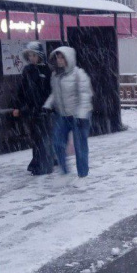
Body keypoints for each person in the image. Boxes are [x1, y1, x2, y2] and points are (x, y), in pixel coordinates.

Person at [44, 46, 93, 178]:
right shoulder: (55, 75)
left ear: (69, 58)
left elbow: (85, 95)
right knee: (57, 143)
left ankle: (83, 174)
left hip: (78, 116)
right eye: (57, 58)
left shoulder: (79, 74)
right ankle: (64, 172)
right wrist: (47, 105)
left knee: (80, 146)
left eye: (62, 57)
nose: (59, 60)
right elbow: (55, 93)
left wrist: (81, 115)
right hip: (63, 115)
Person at [13, 42, 53, 176]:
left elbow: (51, 91)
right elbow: (21, 89)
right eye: (30, 55)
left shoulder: (47, 70)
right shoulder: (27, 70)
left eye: (34, 55)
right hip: (31, 110)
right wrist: (17, 106)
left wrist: (49, 107)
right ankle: (37, 162)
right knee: (36, 137)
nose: (31, 58)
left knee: (43, 138)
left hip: (44, 110)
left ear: (40, 56)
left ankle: (43, 164)